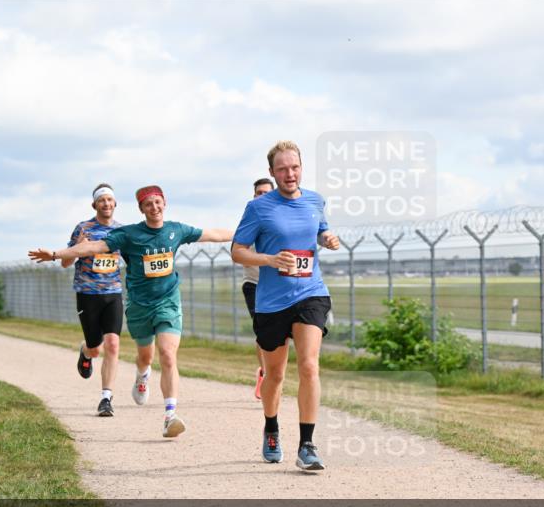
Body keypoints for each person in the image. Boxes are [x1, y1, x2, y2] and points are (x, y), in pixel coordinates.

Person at [29, 185, 233, 438]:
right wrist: (55, 254)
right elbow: (91, 248)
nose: (154, 208)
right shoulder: (128, 234)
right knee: (143, 356)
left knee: (167, 354)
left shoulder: (176, 230)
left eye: (158, 203)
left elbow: (213, 234)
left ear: (164, 203)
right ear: (141, 209)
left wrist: (246, 234)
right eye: (149, 204)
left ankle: (169, 416)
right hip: (137, 305)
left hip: (167, 302)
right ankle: (141, 374)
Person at [231, 141, 340, 471]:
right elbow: (237, 251)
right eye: (282, 169)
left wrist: (328, 238)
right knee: (275, 375)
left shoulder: (315, 200)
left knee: (308, 365)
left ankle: (307, 444)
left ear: (301, 167)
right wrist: (267, 259)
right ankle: (272, 428)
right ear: (272, 172)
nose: (289, 174)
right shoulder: (259, 208)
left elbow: (319, 230)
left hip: (311, 292)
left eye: (294, 167)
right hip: (271, 301)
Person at [59, 183, 124, 417]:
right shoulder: (83, 228)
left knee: (113, 344)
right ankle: (85, 352)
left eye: (110, 200)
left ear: (115, 204)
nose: (106, 204)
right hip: (88, 295)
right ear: (94, 204)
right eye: (102, 200)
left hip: (113, 293)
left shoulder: (122, 231)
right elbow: (65, 262)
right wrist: (78, 247)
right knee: (95, 348)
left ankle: (106, 398)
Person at [242, 178, 274, 399]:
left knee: (280, 336)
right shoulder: (250, 219)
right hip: (254, 284)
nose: (262, 196)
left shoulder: (283, 218)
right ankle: (265, 374)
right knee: (263, 333)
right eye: (258, 193)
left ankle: (270, 371)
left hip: (280, 286)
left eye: (266, 193)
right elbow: (239, 249)